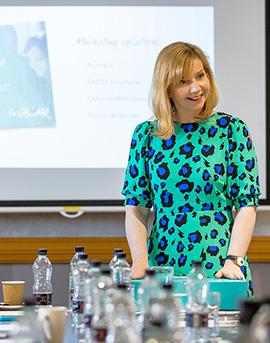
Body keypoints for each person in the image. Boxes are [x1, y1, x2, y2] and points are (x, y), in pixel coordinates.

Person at [121, 42, 261, 297]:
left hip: (220, 265)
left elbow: (247, 205)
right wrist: (140, 260)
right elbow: (136, 210)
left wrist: (234, 259)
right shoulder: (145, 135)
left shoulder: (232, 130)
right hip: (162, 267)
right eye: (183, 81)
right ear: (167, 89)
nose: (196, 88)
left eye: (201, 76)